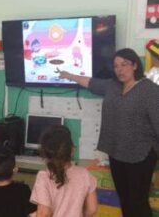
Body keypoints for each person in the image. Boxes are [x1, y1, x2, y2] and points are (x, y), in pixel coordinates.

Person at [59, 48, 159, 217]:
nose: (120, 69)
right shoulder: (112, 86)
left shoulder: (149, 90)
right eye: (116, 66)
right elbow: (90, 82)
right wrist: (69, 75)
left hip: (140, 155)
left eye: (124, 64)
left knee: (138, 201)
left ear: (135, 65)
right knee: (125, 199)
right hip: (116, 152)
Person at [30, 125, 97, 217]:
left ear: (45, 152)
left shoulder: (44, 177)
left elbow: (43, 213)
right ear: (72, 150)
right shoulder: (84, 174)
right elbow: (92, 209)